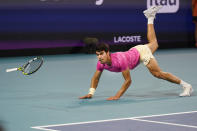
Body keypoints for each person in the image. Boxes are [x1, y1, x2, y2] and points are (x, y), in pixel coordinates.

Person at [79, 6, 193, 101]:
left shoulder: (119, 60)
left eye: (101, 54)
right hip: (135, 50)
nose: (99, 57)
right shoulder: (101, 63)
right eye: (97, 54)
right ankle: (150, 17)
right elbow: (96, 78)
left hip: (141, 53)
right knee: (154, 43)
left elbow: (128, 80)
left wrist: (117, 96)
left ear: (108, 52)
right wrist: (91, 93)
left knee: (157, 74)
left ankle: (186, 86)